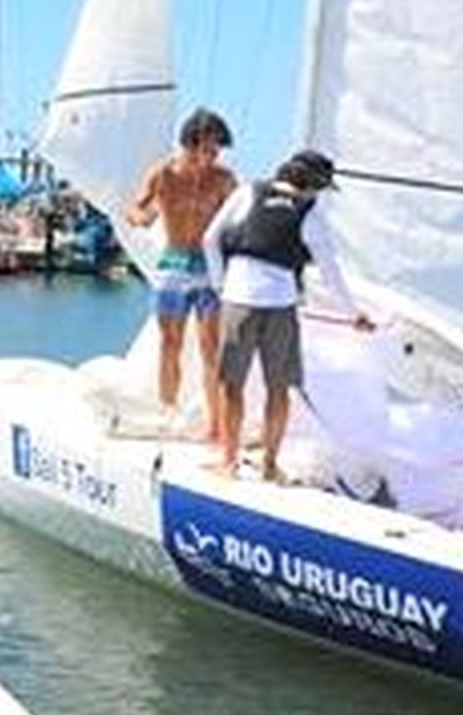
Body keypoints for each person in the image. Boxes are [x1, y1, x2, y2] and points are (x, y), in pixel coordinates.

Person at [203, 148, 373, 482]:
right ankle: (269, 466)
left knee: (230, 384)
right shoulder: (310, 215)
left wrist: (221, 287)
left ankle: (228, 462)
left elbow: (210, 239)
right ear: (312, 184)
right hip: (280, 305)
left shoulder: (248, 193)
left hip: (237, 298)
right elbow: (330, 272)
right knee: (278, 387)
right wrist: (354, 315)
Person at [125, 107, 237, 439]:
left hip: (207, 270)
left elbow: (239, 218)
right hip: (172, 266)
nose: (214, 156)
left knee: (210, 347)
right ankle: (167, 412)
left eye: (217, 150)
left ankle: (215, 425)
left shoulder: (224, 179)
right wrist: (140, 218)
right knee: (169, 343)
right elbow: (136, 207)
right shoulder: (164, 174)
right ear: (191, 143)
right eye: (209, 148)